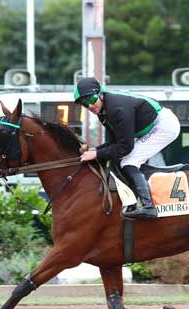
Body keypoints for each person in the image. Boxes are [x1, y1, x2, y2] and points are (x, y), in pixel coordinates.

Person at [75, 77, 181, 219]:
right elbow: (114, 142)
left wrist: (96, 154)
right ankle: (130, 201)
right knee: (121, 159)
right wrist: (96, 150)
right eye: (84, 104)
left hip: (164, 126)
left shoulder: (116, 109)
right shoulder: (103, 111)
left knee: (129, 161)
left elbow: (125, 147)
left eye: (91, 100)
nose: (89, 106)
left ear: (101, 94)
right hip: (154, 125)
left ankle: (148, 207)